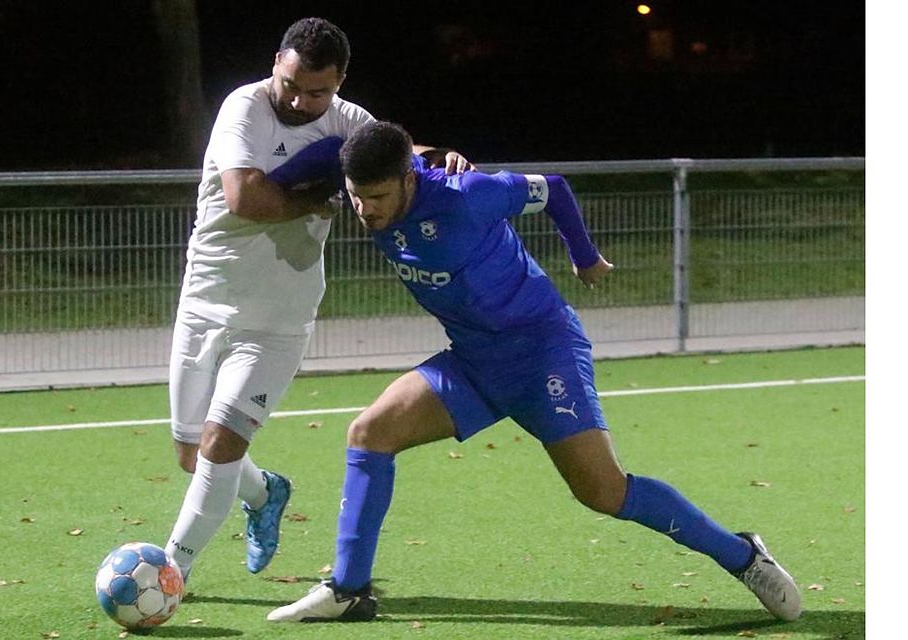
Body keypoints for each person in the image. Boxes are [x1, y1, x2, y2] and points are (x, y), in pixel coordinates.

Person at [266, 121, 803, 623]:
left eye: (378, 197)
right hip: (473, 361)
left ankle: (743, 556)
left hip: (542, 352)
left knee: (603, 491)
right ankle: (349, 591)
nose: (366, 209)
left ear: (408, 179)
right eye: (357, 196)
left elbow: (554, 187)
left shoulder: (467, 195)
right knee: (370, 433)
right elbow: (270, 181)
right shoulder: (357, 171)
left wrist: (584, 255)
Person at [164, 19, 471, 584]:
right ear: (276, 63)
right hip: (205, 302)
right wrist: (317, 197)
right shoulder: (244, 108)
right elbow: (244, 198)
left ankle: (168, 573)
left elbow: (398, 153)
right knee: (191, 452)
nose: (301, 102)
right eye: (291, 85)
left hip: (279, 320)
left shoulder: (347, 122)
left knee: (221, 441)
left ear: (341, 82)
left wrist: (441, 156)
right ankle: (264, 493)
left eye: (318, 92)